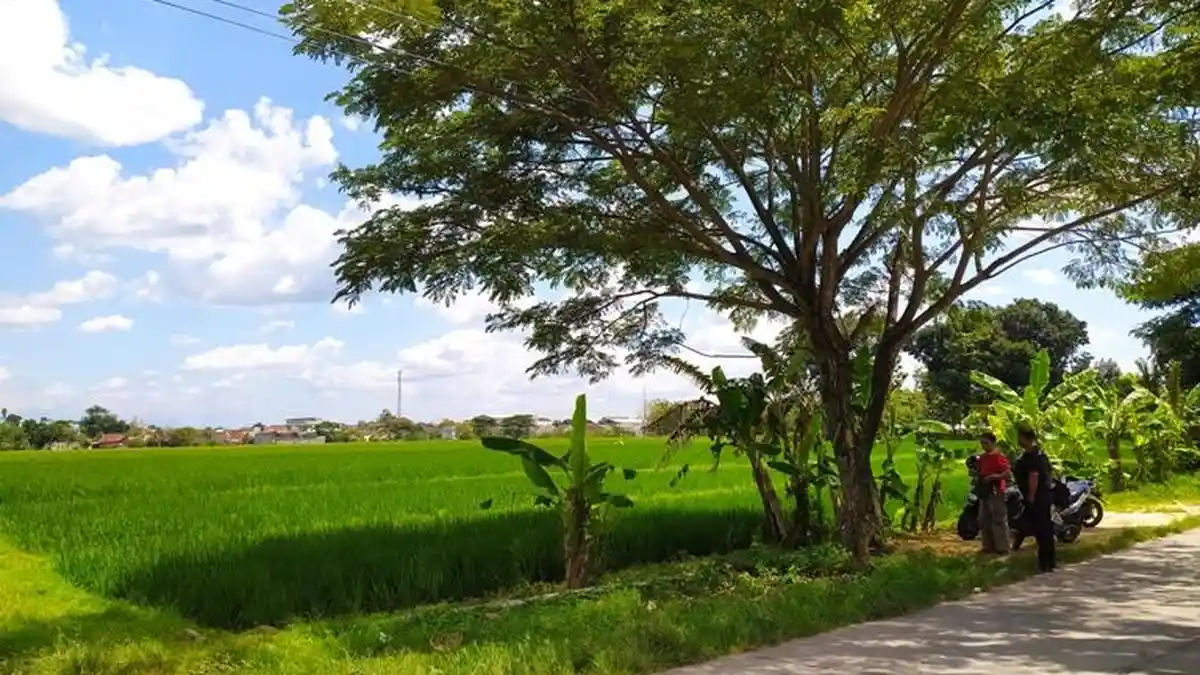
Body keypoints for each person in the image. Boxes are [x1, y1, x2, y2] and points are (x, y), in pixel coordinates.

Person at [1013, 428, 1057, 573]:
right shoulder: (1042, 455)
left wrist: (1031, 496)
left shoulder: (1030, 457)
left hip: (1036, 497)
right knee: (1046, 528)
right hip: (1045, 495)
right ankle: (1050, 561)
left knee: (1040, 529)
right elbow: (1049, 475)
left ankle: (1044, 562)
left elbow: (1033, 476)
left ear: (1026, 439)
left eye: (1020, 438)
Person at [976, 432, 1011, 555]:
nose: (984, 446)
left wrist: (994, 476)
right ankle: (988, 545)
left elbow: (1007, 473)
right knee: (984, 518)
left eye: (986, 443)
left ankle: (1002, 547)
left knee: (998, 519)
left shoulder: (998, 457)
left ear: (993, 443)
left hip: (996, 490)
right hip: (985, 490)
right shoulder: (982, 458)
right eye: (982, 443)